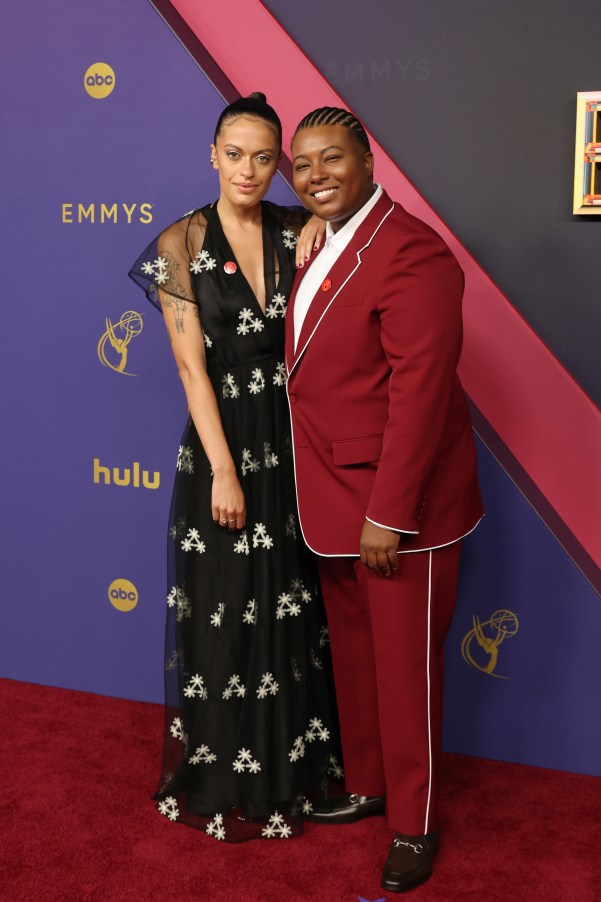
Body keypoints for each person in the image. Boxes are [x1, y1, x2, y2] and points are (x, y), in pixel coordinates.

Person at [128, 94, 340, 843]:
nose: (248, 169)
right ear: (211, 155)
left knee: (294, 604)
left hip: (297, 442)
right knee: (226, 608)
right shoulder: (178, 244)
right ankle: (228, 775)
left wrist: (322, 220)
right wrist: (223, 471)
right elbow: (191, 372)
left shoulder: (298, 227)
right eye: (234, 153)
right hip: (225, 445)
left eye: (262, 157)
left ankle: (298, 769)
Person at [286, 107, 484, 890]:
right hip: (332, 494)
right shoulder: (322, 241)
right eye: (301, 165)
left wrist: (390, 514)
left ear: (369, 161)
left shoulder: (412, 252)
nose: (314, 176)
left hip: (398, 510)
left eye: (330, 158)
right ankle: (368, 786)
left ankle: (415, 822)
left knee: (406, 671)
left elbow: (422, 393)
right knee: (361, 657)